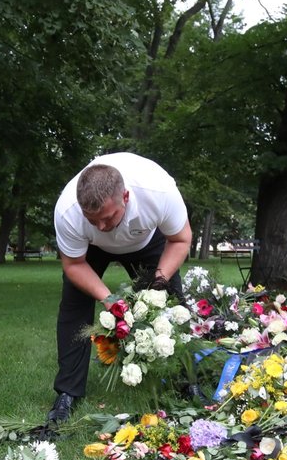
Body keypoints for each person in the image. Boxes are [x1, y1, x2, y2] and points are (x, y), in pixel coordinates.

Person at [48, 153, 192, 423]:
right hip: (89, 250)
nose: (102, 227)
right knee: (73, 309)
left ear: (125, 197)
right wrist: (109, 298)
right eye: (93, 220)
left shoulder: (158, 190)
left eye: (108, 217)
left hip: (147, 241)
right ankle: (67, 392)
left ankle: (185, 379)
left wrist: (158, 282)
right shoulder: (68, 211)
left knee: (172, 303)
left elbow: (181, 239)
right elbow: (74, 264)